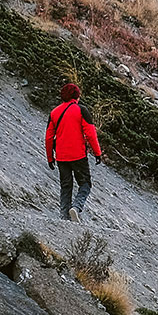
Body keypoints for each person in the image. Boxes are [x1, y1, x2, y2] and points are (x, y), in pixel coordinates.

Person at [45, 83, 103, 221]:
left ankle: (64, 216)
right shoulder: (81, 110)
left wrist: (49, 158)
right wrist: (97, 153)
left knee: (66, 186)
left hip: (61, 156)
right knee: (85, 184)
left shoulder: (54, 112)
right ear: (77, 96)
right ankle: (76, 208)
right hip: (78, 156)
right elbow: (91, 134)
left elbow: (48, 137)